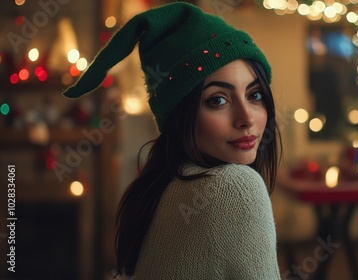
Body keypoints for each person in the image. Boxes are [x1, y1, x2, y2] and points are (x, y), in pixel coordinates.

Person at [62, 2, 282, 279]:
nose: (246, 118)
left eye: (255, 95)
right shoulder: (236, 188)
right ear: (179, 114)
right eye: (217, 100)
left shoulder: (161, 185)